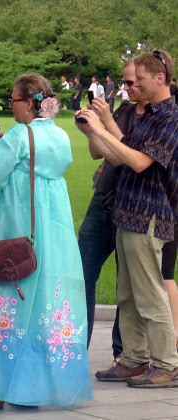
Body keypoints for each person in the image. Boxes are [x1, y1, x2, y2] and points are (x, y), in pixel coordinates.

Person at [0, 73, 93, 408]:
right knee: (41, 303)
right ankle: (34, 388)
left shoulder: (19, 136)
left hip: (16, 226)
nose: (12, 106)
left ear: (28, 103)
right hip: (51, 231)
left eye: (13, 100)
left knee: (6, 297)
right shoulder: (61, 136)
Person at [76, 50, 178, 388]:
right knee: (128, 295)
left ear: (159, 78)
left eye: (141, 80)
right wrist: (91, 130)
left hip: (149, 214)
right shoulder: (147, 114)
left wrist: (103, 128)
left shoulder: (169, 117)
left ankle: (166, 365)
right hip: (126, 212)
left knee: (150, 295)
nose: (134, 86)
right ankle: (133, 360)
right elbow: (118, 154)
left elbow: (138, 162)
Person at [78, 60, 145, 365]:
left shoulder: (157, 116)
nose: (127, 88)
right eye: (125, 82)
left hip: (132, 208)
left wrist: (105, 121)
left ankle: (123, 355)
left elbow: (127, 157)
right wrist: (89, 128)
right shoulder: (124, 109)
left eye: (132, 82)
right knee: (80, 275)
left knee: (126, 286)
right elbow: (99, 152)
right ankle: (74, 348)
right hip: (102, 200)